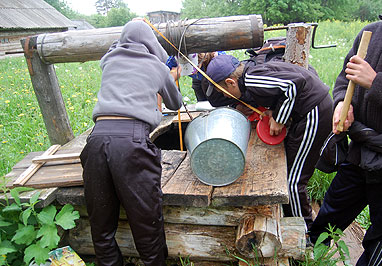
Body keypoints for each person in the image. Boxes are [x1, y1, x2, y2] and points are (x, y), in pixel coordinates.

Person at [79, 20, 182, 266]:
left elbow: (118, 53)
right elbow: (176, 103)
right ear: (151, 43)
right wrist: (171, 76)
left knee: (101, 223)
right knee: (146, 221)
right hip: (131, 143)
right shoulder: (156, 66)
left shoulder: (109, 61)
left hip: (96, 141)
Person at [309, 1, 382, 265]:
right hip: (358, 153)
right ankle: (304, 259)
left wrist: (376, 82)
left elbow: (369, 80)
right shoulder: (371, 32)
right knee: (328, 216)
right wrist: (341, 104)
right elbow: (343, 80)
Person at [205, 54, 333, 231]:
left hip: (314, 113)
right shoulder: (253, 75)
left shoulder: (252, 80)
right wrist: (274, 111)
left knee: (293, 180)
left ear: (231, 82)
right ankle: (295, 218)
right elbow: (282, 92)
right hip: (307, 113)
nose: (227, 97)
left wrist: (279, 118)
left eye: (223, 92)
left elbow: (293, 85)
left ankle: (304, 231)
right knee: (291, 169)